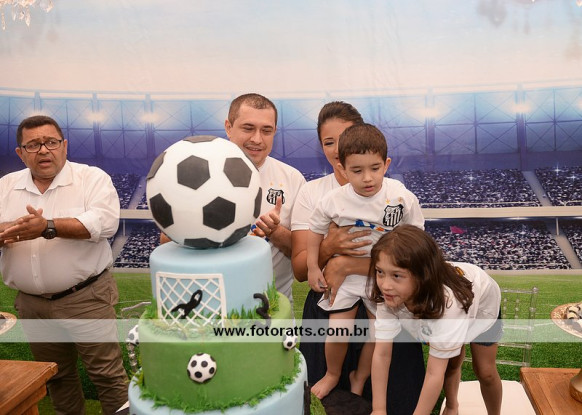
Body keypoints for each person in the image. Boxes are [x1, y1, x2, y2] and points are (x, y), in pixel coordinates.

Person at [291, 101, 425, 414]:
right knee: (338, 330)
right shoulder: (326, 197)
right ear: (343, 164)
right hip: (344, 284)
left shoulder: (399, 196)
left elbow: (416, 243)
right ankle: (333, 374)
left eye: (374, 168)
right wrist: (316, 263)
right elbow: (310, 243)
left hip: (383, 280)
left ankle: (360, 378)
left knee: (380, 336)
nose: (367, 177)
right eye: (330, 142)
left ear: (385, 163)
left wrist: (349, 263)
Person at [0, 115, 128, 415]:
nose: (44, 150)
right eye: (33, 145)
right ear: (21, 153)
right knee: (57, 376)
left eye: (51, 142)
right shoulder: (5, 186)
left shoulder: (91, 178)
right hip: (32, 304)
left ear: (64, 145)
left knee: (107, 375)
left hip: (86, 298)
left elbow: (104, 223)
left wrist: (47, 226)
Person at [370, 224, 502, 415]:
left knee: (485, 371)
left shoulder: (449, 304)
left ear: (422, 276)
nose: (385, 285)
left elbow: (433, 373)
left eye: (396, 275)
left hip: (481, 302)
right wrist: (378, 410)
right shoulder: (389, 295)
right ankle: (452, 406)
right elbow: (382, 354)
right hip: (440, 308)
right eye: (380, 272)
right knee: (450, 361)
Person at [224, 93, 306, 304]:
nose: (257, 139)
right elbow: (167, 241)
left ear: (274, 132)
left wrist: (275, 231)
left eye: (266, 131)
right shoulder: (201, 173)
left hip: (274, 309)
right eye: (248, 128)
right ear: (228, 127)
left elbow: (304, 256)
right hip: (214, 306)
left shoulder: (292, 179)